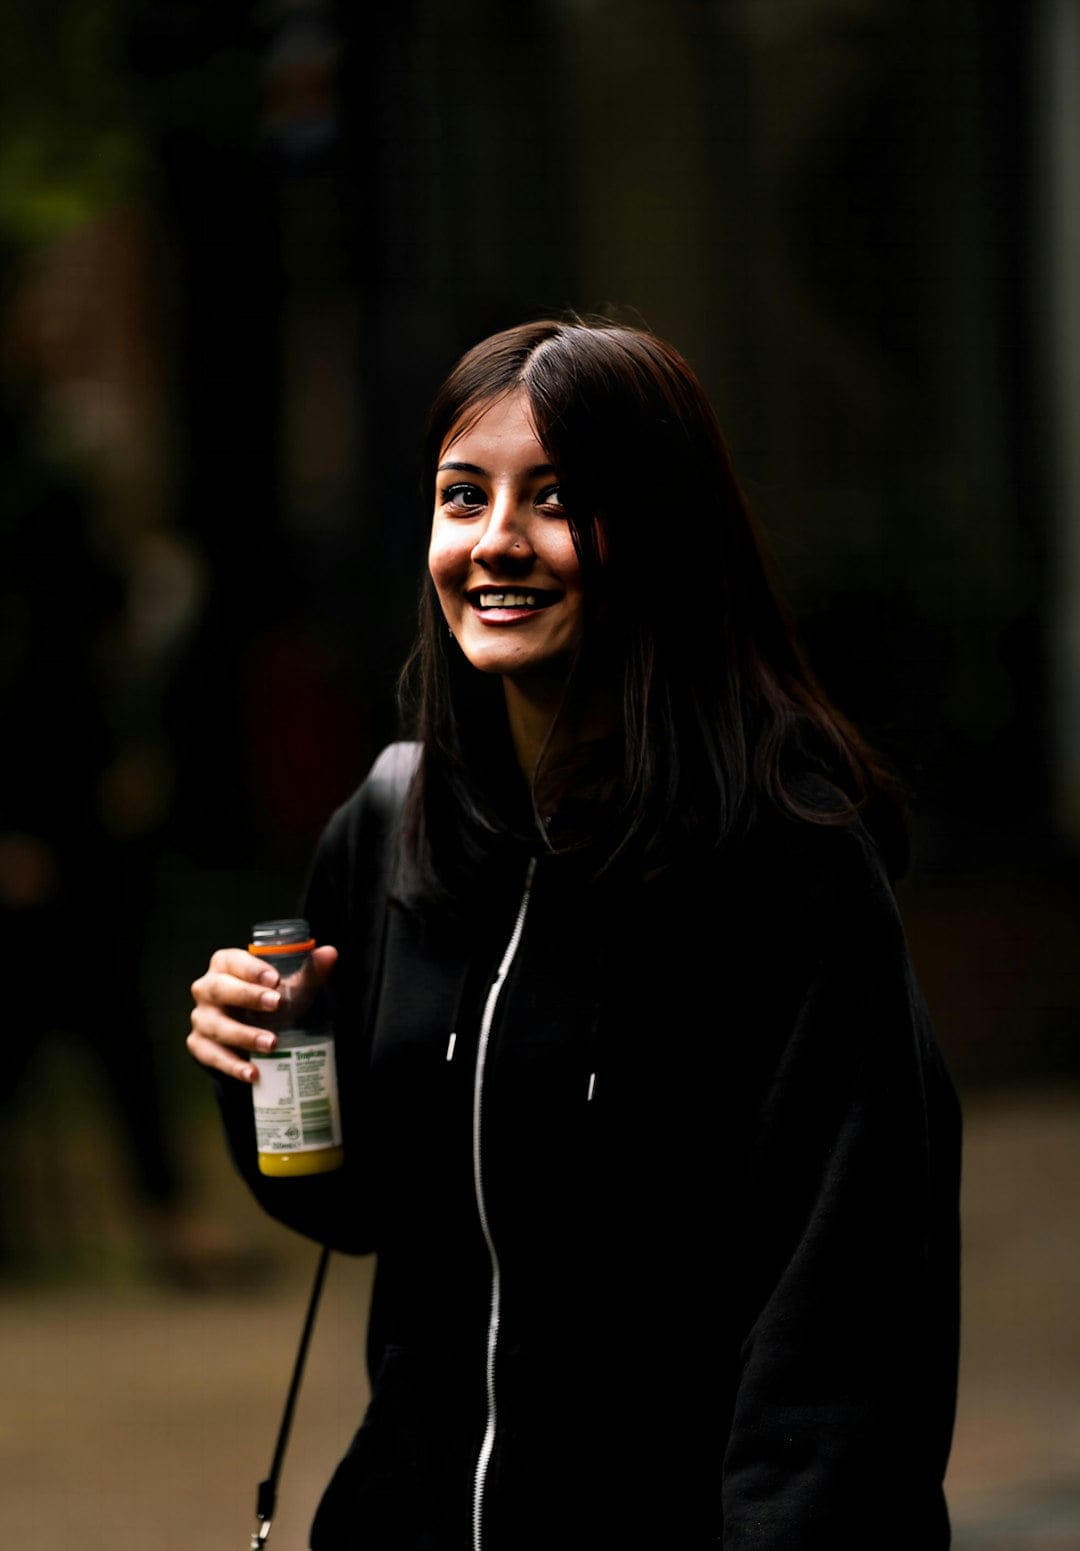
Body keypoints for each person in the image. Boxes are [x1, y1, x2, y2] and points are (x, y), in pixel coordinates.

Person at [188, 318, 961, 1549]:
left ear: (657, 528)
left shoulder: (789, 877)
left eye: (557, 500)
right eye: (462, 496)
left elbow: (845, 1333)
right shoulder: (392, 828)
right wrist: (266, 1066)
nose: (498, 542)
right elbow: (367, 1210)